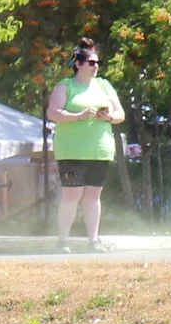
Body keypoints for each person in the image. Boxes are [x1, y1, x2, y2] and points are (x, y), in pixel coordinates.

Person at [47, 40, 124, 253]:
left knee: (93, 196)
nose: (95, 66)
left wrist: (108, 117)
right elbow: (53, 113)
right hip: (72, 151)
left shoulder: (104, 86)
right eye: (91, 62)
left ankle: (94, 241)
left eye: (97, 62)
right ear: (78, 64)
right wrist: (78, 116)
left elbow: (120, 115)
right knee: (72, 196)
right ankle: (63, 241)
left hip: (99, 150)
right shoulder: (66, 86)